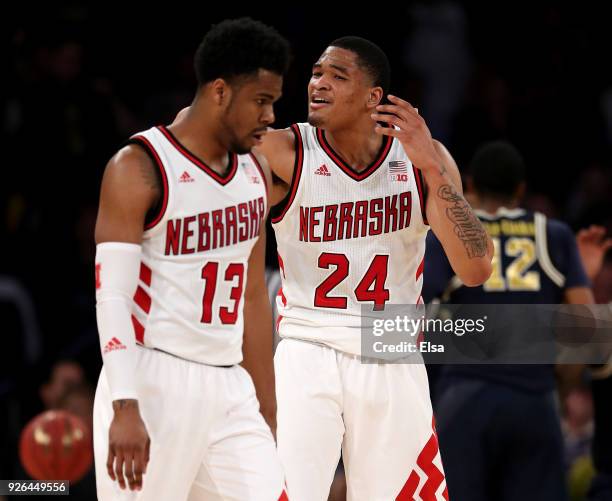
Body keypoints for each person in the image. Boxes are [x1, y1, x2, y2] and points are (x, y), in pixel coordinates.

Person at [257, 36, 493, 500]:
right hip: (308, 343)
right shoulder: (286, 150)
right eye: (316, 73)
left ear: (374, 97)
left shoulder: (423, 159)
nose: (318, 84)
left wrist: (430, 167)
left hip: (391, 347)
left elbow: (477, 268)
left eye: (337, 76)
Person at [93, 18, 290, 500]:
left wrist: (267, 408)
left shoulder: (254, 172)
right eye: (261, 101)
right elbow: (112, 295)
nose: (270, 116)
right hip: (152, 381)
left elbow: (250, 298)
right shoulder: (139, 166)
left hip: (230, 387)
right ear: (220, 91)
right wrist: (124, 404)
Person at [423, 141, 595, 501]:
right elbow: (584, 327)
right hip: (533, 397)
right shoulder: (554, 235)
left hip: (464, 398)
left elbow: (421, 321)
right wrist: (558, 390)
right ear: (521, 189)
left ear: (468, 185)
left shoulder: (447, 235)